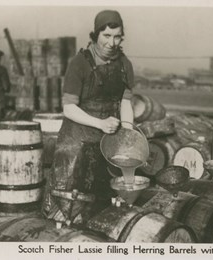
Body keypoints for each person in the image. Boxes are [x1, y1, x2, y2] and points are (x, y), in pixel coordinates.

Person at [42, 10, 135, 225]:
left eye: (117, 36)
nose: (112, 42)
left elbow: (127, 102)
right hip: (78, 140)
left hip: (107, 140)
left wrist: (128, 131)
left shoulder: (124, 65)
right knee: (69, 205)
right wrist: (99, 123)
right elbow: (69, 108)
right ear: (95, 35)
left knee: (102, 205)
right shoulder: (80, 63)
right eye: (106, 36)